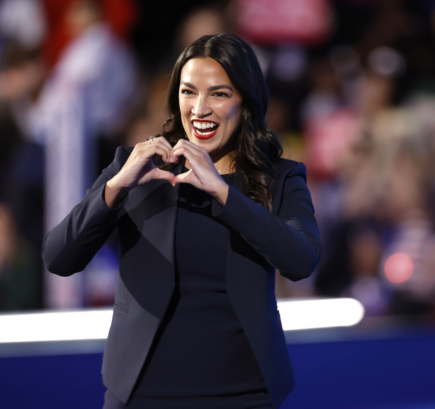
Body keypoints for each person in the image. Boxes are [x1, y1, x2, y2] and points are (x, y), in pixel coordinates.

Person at [42, 33, 322, 408]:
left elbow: (302, 259)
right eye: (189, 92)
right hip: (141, 393)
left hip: (244, 394)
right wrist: (117, 186)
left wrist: (225, 194)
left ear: (246, 102)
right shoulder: (138, 167)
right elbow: (58, 258)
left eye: (219, 94)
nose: (200, 109)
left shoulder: (280, 177)